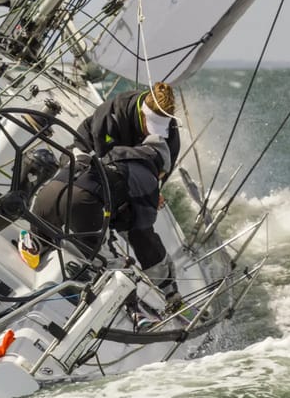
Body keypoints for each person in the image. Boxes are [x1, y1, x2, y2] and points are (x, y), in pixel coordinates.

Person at [28, 134, 179, 301]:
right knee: (113, 266)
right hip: (83, 204)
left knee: (58, 227)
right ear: (162, 170)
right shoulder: (148, 180)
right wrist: (167, 283)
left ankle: (36, 242)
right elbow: (142, 236)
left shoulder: (114, 152)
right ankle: (129, 304)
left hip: (50, 191)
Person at [75, 81, 181, 174]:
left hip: (128, 156)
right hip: (91, 146)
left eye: (160, 130)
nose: (153, 135)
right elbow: (101, 150)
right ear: (142, 113)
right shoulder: (114, 112)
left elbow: (164, 169)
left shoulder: (171, 131)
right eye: (152, 128)